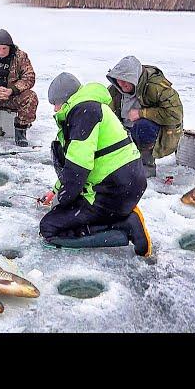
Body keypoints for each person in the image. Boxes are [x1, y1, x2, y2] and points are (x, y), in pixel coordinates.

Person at [39, 72, 152, 257]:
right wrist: (55, 191)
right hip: (123, 185)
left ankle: (125, 223)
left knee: (49, 228)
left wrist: (63, 202)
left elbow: (77, 168)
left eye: (56, 104)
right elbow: (73, 165)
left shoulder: (84, 113)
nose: (55, 109)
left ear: (67, 100)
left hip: (112, 190)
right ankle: (118, 215)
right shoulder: (89, 107)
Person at [106, 56, 183, 178]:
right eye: (118, 79)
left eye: (126, 79)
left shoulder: (156, 86)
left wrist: (142, 113)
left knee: (143, 126)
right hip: (126, 130)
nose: (121, 84)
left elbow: (175, 115)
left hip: (160, 134)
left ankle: (146, 166)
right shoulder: (115, 89)